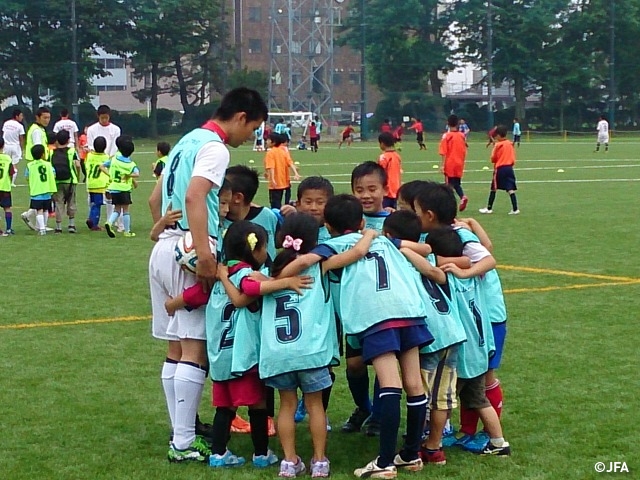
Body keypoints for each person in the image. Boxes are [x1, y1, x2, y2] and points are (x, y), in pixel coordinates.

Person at [147, 87, 267, 463]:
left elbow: (155, 200)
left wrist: (170, 238)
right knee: (195, 348)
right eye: (254, 129)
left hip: (165, 248)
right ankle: (183, 443)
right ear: (242, 117)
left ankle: (181, 431)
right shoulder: (215, 147)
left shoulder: (187, 140)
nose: (251, 137)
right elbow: (195, 197)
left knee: (176, 348)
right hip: (190, 250)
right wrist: (202, 254)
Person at [280, 195, 433, 478]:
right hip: (410, 308)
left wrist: (285, 277)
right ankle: (411, 455)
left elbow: (300, 265)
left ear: (327, 224)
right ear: (361, 222)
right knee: (413, 383)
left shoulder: (330, 246)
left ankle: (385, 462)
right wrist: (376, 236)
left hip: (376, 313)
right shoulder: (385, 240)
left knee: (390, 383)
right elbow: (424, 247)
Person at [165, 221, 309, 469]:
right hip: (245, 355)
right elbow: (251, 289)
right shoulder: (244, 274)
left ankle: (218, 454)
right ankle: (262, 454)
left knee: (225, 407)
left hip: (221, 357)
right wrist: (286, 283)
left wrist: (170, 305)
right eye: (264, 247)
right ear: (254, 250)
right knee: (258, 404)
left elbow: (193, 295)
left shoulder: (218, 277)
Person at [263, 213, 379, 478]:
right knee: (316, 406)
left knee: (287, 406)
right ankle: (319, 461)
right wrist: (370, 234)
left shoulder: (273, 271)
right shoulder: (319, 266)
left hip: (279, 352)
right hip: (312, 350)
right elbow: (358, 253)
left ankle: (289, 461)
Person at [414, 183, 511, 457]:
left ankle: (434, 440)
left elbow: (487, 257)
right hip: (481, 336)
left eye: (413, 210)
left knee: (445, 395)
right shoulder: (455, 235)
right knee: (474, 395)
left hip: (480, 328)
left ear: (430, 215)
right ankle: (487, 439)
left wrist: (464, 270)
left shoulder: (456, 244)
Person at [381, 211, 466, 466]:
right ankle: (434, 446)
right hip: (452, 332)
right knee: (443, 396)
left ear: (389, 236)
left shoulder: (398, 260)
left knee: (420, 392)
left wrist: (402, 250)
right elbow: (438, 275)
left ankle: (415, 444)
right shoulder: (428, 256)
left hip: (428, 335)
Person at [224, 165, 280, 264]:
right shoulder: (216, 220)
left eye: (222, 190)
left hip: (266, 278)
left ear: (238, 197)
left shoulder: (267, 216)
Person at [87, 105, 122, 223]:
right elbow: (91, 146)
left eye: (106, 118)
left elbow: (115, 146)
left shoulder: (115, 129)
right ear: (98, 117)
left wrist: (109, 159)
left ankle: (110, 220)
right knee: (94, 196)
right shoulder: (92, 129)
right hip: (96, 162)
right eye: (102, 118)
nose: (104, 120)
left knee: (110, 194)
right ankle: (93, 220)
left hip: (110, 162)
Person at [100, 135, 139, 237]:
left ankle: (109, 222)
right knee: (125, 210)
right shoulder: (131, 164)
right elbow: (137, 174)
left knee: (117, 209)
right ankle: (127, 231)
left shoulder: (114, 159)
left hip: (114, 188)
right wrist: (129, 176)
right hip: (125, 189)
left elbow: (102, 166)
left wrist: (109, 174)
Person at [20, 107, 52, 230]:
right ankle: (37, 222)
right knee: (42, 194)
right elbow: (39, 149)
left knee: (40, 195)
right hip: (38, 164)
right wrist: (44, 164)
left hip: (36, 163)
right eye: (44, 117)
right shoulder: (37, 131)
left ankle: (34, 219)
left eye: (48, 117)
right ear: (37, 117)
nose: (47, 120)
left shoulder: (39, 129)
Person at [479, 125, 520, 215]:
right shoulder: (510, 144)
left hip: (500, 168)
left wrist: (494, 148)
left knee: (493, 188)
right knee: (510, 189)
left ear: (498, 135)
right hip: (509, 168)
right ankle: (515, 209)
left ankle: (489, 208)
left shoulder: (498, 145)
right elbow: (513, 158)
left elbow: (493, 159)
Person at [50, 130, 81, 233]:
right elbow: (77, 165)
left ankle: (58, 226)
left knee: (58, 203)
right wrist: (77, 175)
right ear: (68, 140)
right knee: (71, 202)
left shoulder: (51, 152)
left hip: (56, 181)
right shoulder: (72, 151)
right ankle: (71, 225)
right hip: (70, 180)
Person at [25, 145, 56, 235]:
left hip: (36, 191)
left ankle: (42, 229)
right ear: (43, 154)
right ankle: (44, 226)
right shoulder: (48, 164)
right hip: (47, 190)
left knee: (39, 210)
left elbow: (27, 177)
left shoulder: (29, 165)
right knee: (46, 209)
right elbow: (54, 174)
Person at [439, 114, 468, 211]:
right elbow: (464, 150)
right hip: (459, 163)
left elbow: (443, 151)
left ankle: (448, 205)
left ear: (448, 123)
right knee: (456, 183)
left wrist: (442, 165)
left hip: (450, 163)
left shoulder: (447, 136)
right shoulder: (462, 135)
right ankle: (462, 197)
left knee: (449, 185)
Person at [264, 133, 300, 209]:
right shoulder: (283, 151)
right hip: (284, 182)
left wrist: (273, 179)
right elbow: (290, 163)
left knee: (275, 205)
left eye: (268, 140)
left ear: (273, 142)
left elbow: (271, 167)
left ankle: (278, 219)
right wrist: (296, 173)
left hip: (275, 184)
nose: (266, 141)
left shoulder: (270, 153)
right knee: (282, 202)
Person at [84, 136, 111, 230]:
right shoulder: (105, 157)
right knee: (97, 204)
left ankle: (91, 218)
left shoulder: (90, 156)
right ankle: (93, 223)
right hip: (100, 184)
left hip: (90, 183)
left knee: (93, 203)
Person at [377, 132, 402, 210]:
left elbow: (379, 173)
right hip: (396, 189)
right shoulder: (397, 156)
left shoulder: (383, 157)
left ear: (382, 143)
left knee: (384, 212)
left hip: (386, 191)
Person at [2, 108, 25, 187]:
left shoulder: (6, 123)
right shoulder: (20, 126)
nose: (22, 117)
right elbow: (21, 139)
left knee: (5, 164)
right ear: (17, 116)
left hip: (6, 146)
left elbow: (4, 134)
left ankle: (5, 180)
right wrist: (21, 150)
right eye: (21, 116)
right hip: (15, 146)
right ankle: (12, 182)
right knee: (14, 165)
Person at [0, 138, 16, 235]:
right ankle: (9, 229)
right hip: (5, 186)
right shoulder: (7, 158)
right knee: (7, 208)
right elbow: (11, 172)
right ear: (3, 146)